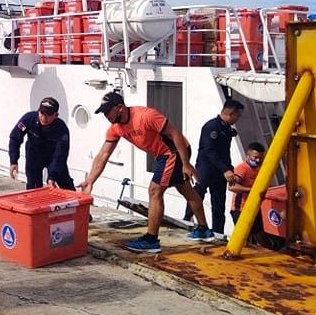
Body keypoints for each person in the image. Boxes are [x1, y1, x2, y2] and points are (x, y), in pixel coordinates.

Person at [79, 91, 215, 253]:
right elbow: (103, 155)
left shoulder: (146, 116)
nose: (106, 115)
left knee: (155, 190)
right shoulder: (115, 129)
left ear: (120, 108)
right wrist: (90, 182)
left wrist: (186, 163)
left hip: (174, 151)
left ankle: (151, 240)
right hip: (163, 154)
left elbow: (175, 134)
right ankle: (203, 230)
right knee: (184, 187)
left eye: (108, 111)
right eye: (104, 112)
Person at [186, 98, 245, 238]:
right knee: (197, 194)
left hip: (220, 171)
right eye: (238, 115)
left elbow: (225, 152)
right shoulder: (211, 127)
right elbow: (209, 150)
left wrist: (230, 169)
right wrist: (225, 169)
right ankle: (186, 221)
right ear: (231, 114)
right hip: (206, 168)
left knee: (218, 203)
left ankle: (217, 232)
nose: (238, 119)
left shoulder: (226, 129)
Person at [8, 97, 74, 190]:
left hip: (53, 156)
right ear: (38, 111)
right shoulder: (29, 119)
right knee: (33, 186)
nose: (44, 117)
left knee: (65, 183)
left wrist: (52, 177)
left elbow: (60, 155)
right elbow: (15, 138)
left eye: (49, 114)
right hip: (34, 155)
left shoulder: (61, 129)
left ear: (56, 115)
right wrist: (13, 160)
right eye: (42, 113)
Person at [228, 141, 266, 243]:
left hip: (254, 207)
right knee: (243, 238)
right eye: (255, 157)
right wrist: (250, 190)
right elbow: (231, 187)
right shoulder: (242, 168)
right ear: (248, 155)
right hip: (240, 210)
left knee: (259, 234)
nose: (258, 160)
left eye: (260, 158)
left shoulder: (261, 167)